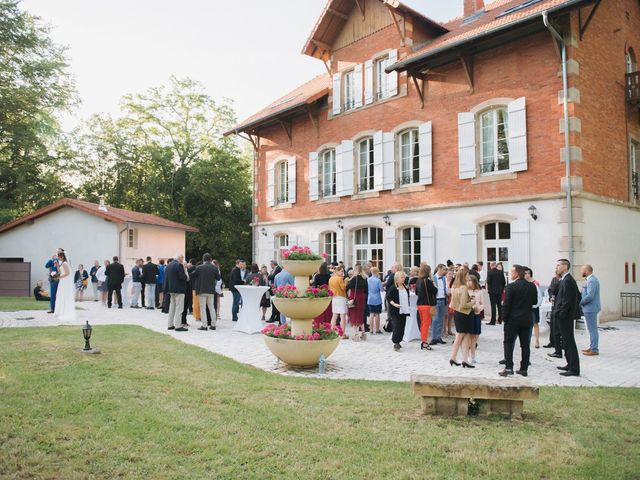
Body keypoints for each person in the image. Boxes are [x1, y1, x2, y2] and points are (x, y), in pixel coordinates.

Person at [499, 265, 538, 377]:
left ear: (517, 273)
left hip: (512, 320)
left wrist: (504, 318)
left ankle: (509, 367)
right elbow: (534, 301)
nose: (510, 274)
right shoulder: (532, 286)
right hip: (526, 319)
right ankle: (524, 368)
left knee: (508, 343)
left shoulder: (511, 287)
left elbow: (506, 305)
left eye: (511, 272)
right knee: (525, 345)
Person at [554, 259, 581, 377]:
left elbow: (567, 301)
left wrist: (561, 313)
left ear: (565, 267)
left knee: (569, 342)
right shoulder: (565, 280)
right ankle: (569, 364)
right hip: (564, 316)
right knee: (566, 341)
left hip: (565, 317)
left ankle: (574, 368)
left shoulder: (568, 280)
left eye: (558, 265)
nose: (556, 267)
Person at [449, 267, 475, 367]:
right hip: (464, 314)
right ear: (464, 276)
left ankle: (462, 359)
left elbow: (453, 303)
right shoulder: (463, 288)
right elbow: (464, 304)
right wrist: (472, 302)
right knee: (460, 337)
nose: (469, 276)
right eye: (467, 274)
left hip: (458, 313)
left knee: (463, 337)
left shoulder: (454, 287)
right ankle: (454, 357)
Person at [192, 253, 221, 331]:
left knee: (203, 308)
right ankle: (213, 325)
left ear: (203, 259)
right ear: (210, 259)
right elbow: (218, 278)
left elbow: (193, 275)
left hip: (202, 290)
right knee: (211, 308)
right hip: (211, 290)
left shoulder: (199, 267)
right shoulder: (214, 267)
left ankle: (204, 325)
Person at [580, 264, 601, 356]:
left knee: (592, 329)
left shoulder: (592, 281)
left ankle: (594, 349)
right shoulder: (590, 280)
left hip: (590, 308)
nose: (581, 272)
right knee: (591, 329)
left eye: (582, 270)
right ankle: (592, 346)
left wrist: (580, 302)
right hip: (590, 308)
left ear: (587, 271)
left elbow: (589, 296)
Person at [416, 264, 437, 350]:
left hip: (420, 304)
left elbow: (417, 292)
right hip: (427, 305)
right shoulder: (427, 281)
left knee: (422, 323)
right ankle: (424, 342)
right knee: (426, 324)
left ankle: (423, 340)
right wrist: (433, 283)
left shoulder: (418, 280)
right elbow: (435, 290)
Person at [387, 270, 410, 351]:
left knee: (402, 327)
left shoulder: (405, 287)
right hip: (395, 311)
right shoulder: (393, 288)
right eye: (401, 277)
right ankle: (395, 342)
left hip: (404, 310)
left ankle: (399, 341)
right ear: (397, 279)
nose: (403, 278)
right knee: (397, 326)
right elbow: (389, 298)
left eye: (404, 277)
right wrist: (394, 304)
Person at [166, 255, 189, 331]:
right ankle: (178, 325)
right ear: (179, 258)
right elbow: (183, 277)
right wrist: (185, 271)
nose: (182, 260)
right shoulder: (179, 265)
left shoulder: (169, 265)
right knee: (179, 307)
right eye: (182, 258)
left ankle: (170, 324)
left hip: (171, 289)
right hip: (179, 289)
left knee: (172, 307)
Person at [53, 250, 76, 323]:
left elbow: (67, 273)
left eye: (59, 257)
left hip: (65, 281)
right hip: (62, 281)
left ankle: (65, 311)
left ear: (62, 257)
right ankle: (60, 311)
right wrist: (57, 265)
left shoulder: (65, 263)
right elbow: (60, 272)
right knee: (60, 295)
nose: (58, 258)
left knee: (64, 295)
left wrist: (59, 277)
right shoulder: (62, 263)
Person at [346, 264, 368, 339]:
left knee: (354, 316)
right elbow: (366, 290)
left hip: (354, 298)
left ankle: (355, 335)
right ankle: (363, 334)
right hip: (362, 298)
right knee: (360, 315)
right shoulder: (364, 279)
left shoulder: (353, 279)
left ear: (355, 270)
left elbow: (347, 287)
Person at [466, 275, 484, 363]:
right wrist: (472, 307)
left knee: (475, 336)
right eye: (467, 280)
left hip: (477, 315)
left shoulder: (479, 292)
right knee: (469, 336)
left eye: (470, 280)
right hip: (468, 315)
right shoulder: (465, 291)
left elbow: (482, 303)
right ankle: (469, 355)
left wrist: (479, 308)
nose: (469, 282)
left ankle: (473, 355)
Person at [524, 267, 543, 349]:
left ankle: (537, 340)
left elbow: (539, 296)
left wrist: (535, 305)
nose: (527, 275)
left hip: (534, 306)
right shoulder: (522, 283)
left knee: (535, 323)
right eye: (526, 273)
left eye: (528, 273)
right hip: (525, 307)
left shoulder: (534, 283)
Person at [431, 264, 448, 345]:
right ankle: (433, 338)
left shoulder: (444, 278)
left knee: (441, 319)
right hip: (435, 301)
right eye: (444, 269)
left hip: (443, 300)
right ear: (439, 269)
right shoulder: (432, 278)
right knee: (434, 319)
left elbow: (445, 289)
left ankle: (438, 337)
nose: (445, 271)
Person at [329, 266, 348, 336]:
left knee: (334, 316)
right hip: (341, 298)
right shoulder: (339, 279)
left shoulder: (331, 278)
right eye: (341, 271)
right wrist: (346, 281)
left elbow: (329, 288)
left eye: (343, 271)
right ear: (337, 271)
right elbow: (343, 288)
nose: (342, 272)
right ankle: (342, 333)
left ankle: (331, 331)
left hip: (334, 298)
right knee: (343, 316)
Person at [366, 266, 383, 334]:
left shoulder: (368, 279)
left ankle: (371, 330)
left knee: (371, 314)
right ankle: (377, 329)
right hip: (377, 299)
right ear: (377, 272)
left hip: (370, 298)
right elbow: (381, 289)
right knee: (377, 314)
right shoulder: (378, 280)